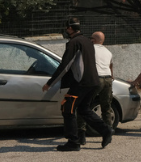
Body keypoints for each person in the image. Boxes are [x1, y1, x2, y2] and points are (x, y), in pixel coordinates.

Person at [42, 17, 114, 151]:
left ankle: (73, 142)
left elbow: (65, 65)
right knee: (83, 109)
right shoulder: (87, 41)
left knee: (67, 108)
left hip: (82, 82)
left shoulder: (74, 43)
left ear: (69, 28)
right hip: (93, 81)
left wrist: (50, 83)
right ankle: (105, 130)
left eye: (66, 28)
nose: (65, 30)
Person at [76, 31, 114, 145]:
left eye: (91, 38)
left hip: (95, 79)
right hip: (107, 79)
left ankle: (81, 135)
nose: (89, 40)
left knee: (84, 106)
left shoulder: (90, 49)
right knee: (106, 107)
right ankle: (108, 132)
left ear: (94, 40)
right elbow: (111, 66)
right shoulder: (108, 52)